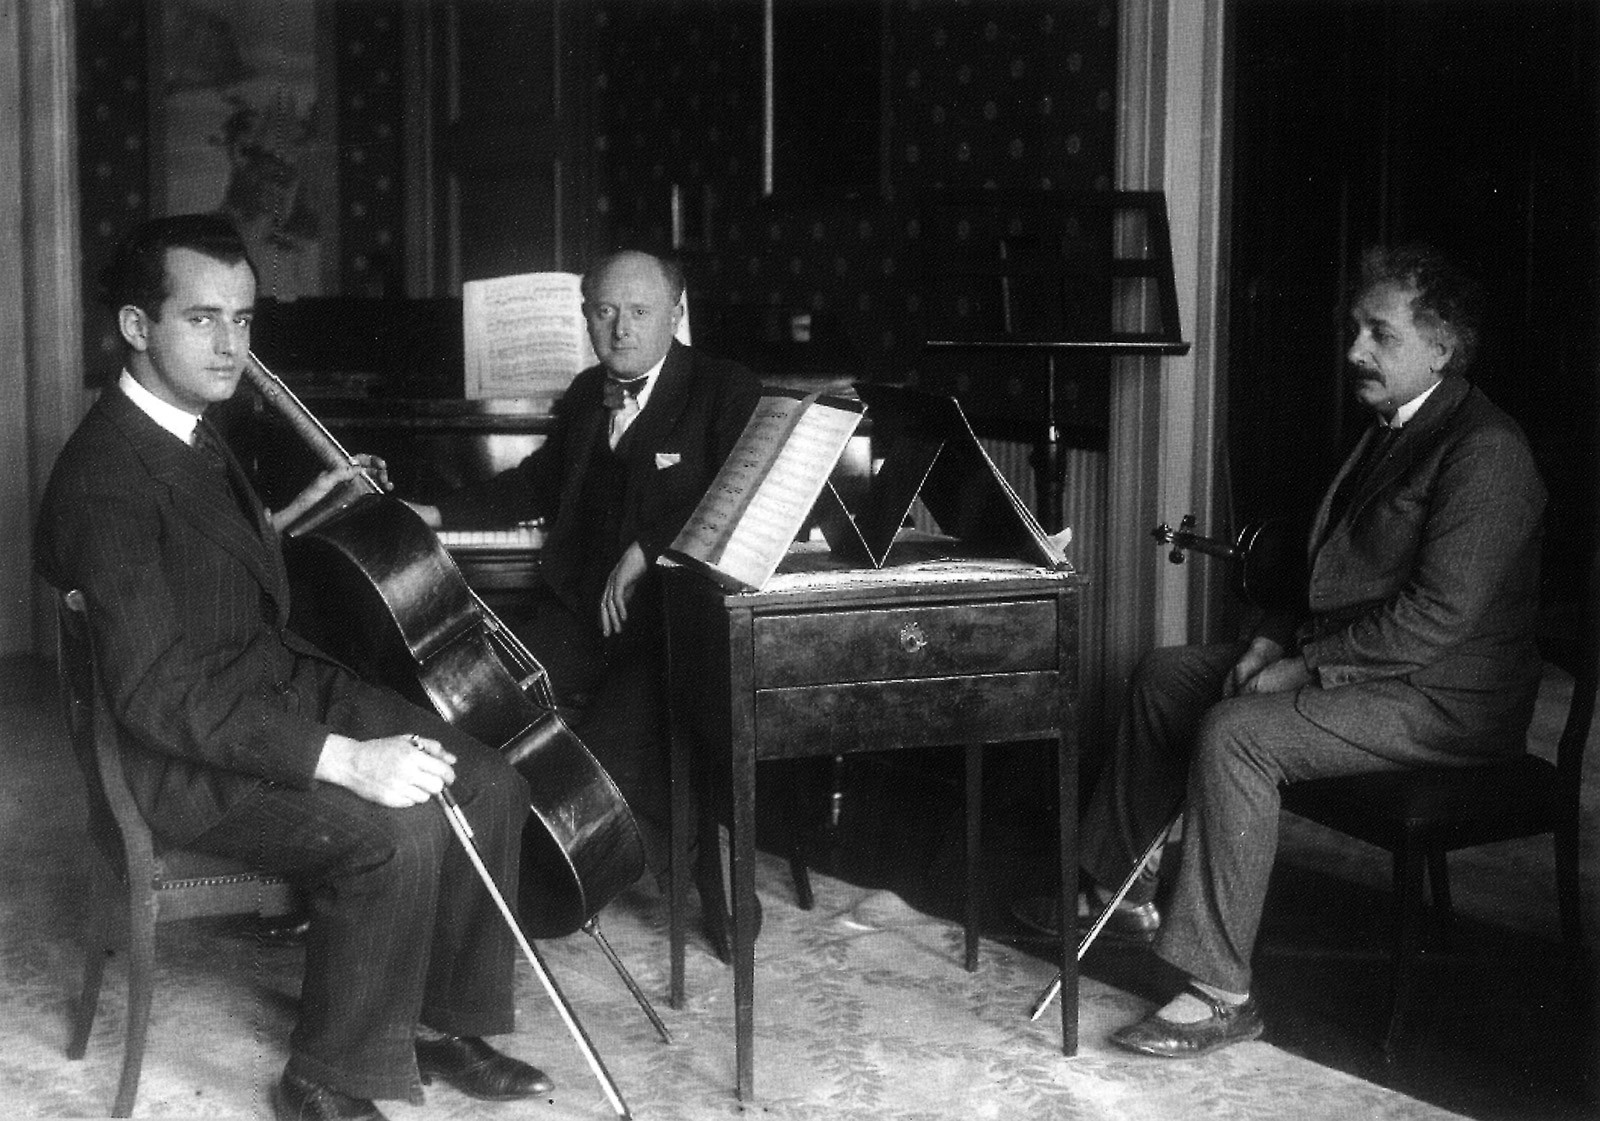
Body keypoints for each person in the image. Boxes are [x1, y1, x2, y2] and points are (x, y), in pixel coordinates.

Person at [36, 215, 553, 1121]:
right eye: (202, 319)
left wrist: (311, 505)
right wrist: (347, 760)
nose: (232, 344)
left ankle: (440, 1022)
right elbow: (160, 694)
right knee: (397, 833)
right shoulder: (104, 478)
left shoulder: (188, 424)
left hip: (267, 686)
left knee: (489, 781)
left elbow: (222, 561)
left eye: (242, 319)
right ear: (134, 325)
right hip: (187, 756)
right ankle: (324, 1076)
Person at [1071, 243, 1546, 1057]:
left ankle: (1220, 991)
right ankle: (1119, 891)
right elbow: (1322, 565)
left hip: (1448, 702)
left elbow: (1434, 618)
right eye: (1355, 327)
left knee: (1237, 734)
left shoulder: (1486, 451)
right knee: (1165, 676)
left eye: (1380, 334)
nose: (1355, 349)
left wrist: (1298, 667)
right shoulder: (1390, 425)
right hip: (1373, 674)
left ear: (1441, 346)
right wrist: (1264, 638)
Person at [408, 249, 762, 919]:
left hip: (670, 624)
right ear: (586, 317)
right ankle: (477, 874)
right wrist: (437, 512)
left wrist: (648, 547)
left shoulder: (722, 386)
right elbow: (536, 483)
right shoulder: (583, 393)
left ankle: (582, 884)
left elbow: (739, 491)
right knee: (480, 698)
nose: (621, 329)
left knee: (593, 770)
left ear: (677, 315)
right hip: (581, 615)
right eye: (605, 312)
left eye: (639, 312)